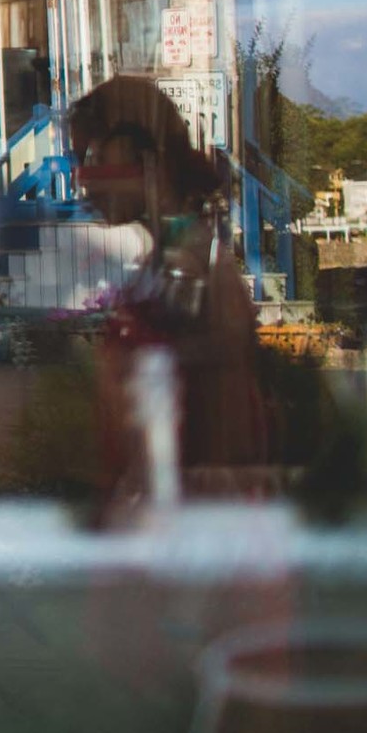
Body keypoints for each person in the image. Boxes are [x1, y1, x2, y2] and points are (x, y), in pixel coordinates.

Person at [68, 73, 265, 498]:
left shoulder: (194, 268)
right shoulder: (163, 265)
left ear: (147, 161)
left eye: (95, 157)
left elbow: (223, 420)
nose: (82, 179)